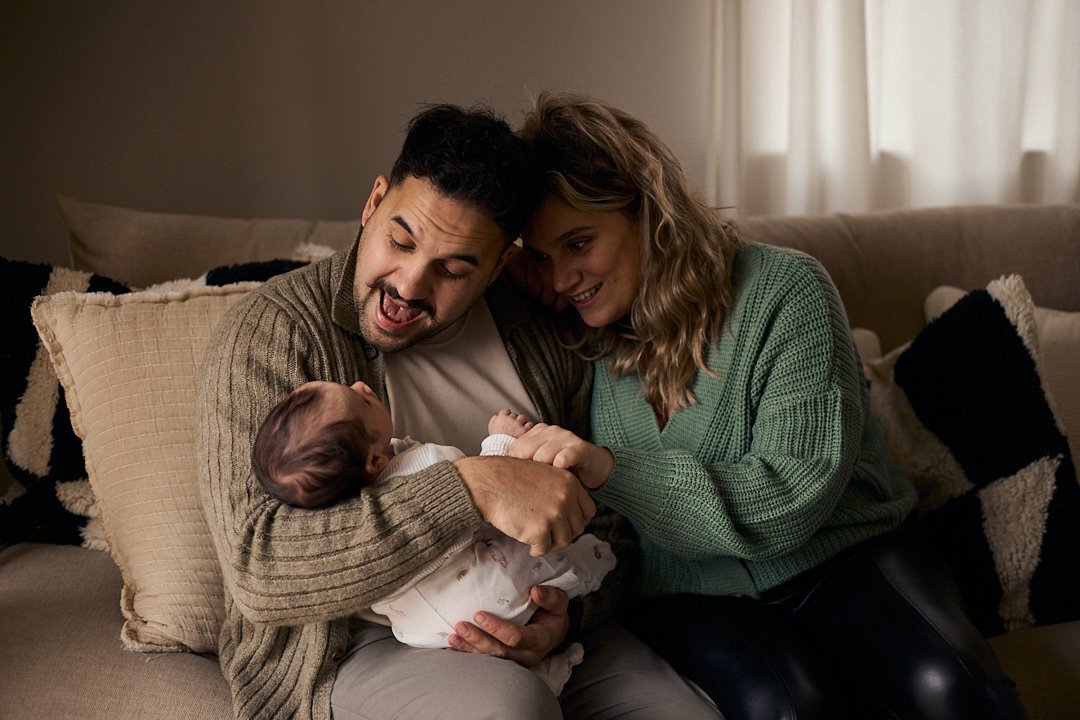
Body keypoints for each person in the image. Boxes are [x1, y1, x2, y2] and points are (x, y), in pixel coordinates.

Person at [509, 90, 1028, 720]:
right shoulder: (575, 338)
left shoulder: (787, 290)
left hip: (845, 556)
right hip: (688, 591)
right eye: (541, 257)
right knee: (787, 708)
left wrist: (611, 468)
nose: (562, 278)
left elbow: (793, 494)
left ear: (647, 210)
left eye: (578, 244)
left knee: (952, 686)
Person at [196, 102, 722, 720]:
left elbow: (610, 517)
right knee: (508, 708)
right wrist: (473, 485)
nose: (409, 285)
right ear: (373, 202)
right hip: (364, 641)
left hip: (545, 610)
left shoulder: (537, 328)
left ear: (500, 265)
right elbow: (259, 569)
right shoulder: (275, 333)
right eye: (400, 241)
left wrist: (567, 617)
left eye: (452, 269)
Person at [250, 380, 616, 695]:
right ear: (374, 462)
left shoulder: (342, 510)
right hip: (488, 595)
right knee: (541, 550)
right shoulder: (426, 463)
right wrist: (501, 442)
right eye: (362, 401)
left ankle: (545, 674)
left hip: (427, 634)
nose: (361, 385)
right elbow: (491, 499)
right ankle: (592, 566)